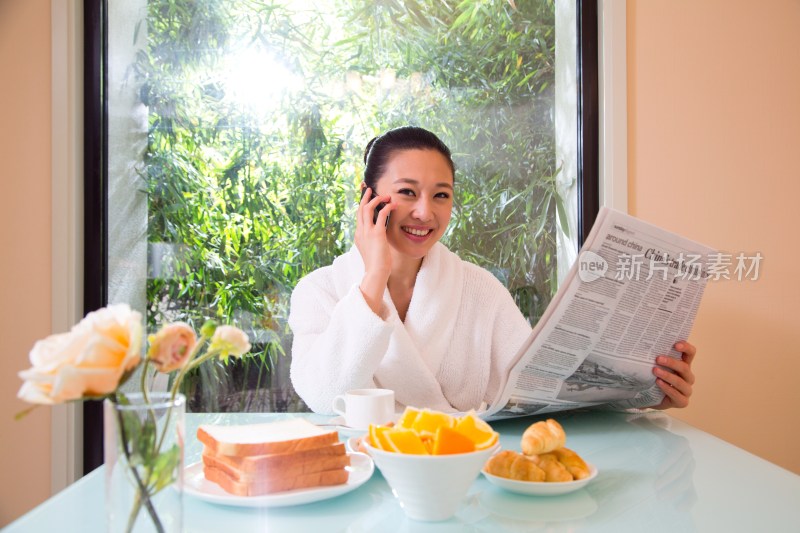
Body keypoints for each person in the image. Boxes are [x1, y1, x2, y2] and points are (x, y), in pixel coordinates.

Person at [288, 126, 697, 414]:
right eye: (407, 192)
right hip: (365, 475)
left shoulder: (478, 288)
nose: (425, 212)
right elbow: (326, 397)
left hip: (466, 466)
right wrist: (373, 277)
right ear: (369, 199)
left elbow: (535, 391)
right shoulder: (320, 291)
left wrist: (643, 393)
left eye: (441, 195)